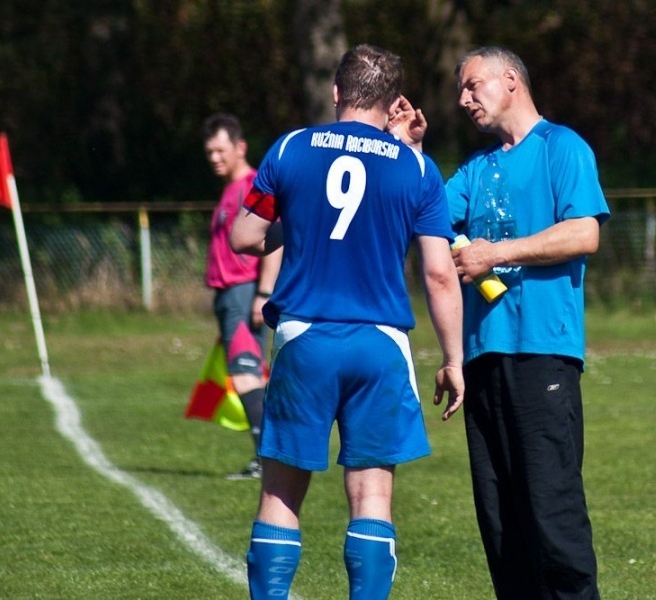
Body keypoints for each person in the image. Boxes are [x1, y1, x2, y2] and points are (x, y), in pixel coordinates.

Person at [229, 44, 464, 600]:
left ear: (336, 93)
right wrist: (454, 358)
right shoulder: (416, 166)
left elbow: (244, 238)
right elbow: (437, 273)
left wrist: (299, 225)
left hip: (304, 336)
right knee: (373, 499)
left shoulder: (290, 148)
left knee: (281, 494)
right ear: (391, 105)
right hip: (380, 343)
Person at [446, 47, 610, 599]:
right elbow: (424, 215)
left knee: (552, 515)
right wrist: (408, 150)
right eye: (461, 91)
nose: (463, 99)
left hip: (543, 353)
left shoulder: (561, 147)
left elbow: (583, 233)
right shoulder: (475, 168)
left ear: (510, 80)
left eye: (472, 86)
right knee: (501, 525)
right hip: (483, 358)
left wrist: (495, 253)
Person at [202, 113, 282, 480]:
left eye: (221, 150)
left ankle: (267, 459)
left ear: (240, 147)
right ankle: (266, 457)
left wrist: (262, 293)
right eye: (210, 152)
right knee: (245, 374)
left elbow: (273, 242)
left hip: (244, 290)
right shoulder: (229, 190)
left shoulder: (252, 185)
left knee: (247, 374)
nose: (214, 158)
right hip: (229, 295)